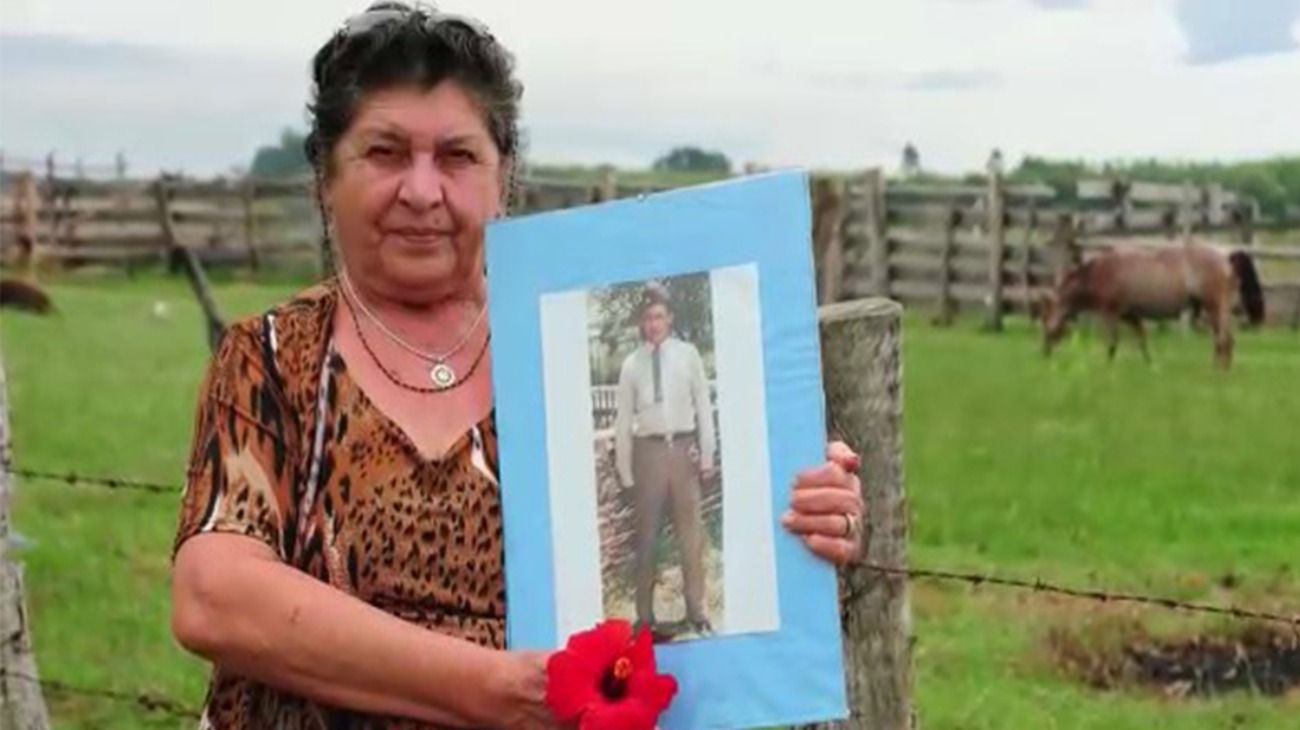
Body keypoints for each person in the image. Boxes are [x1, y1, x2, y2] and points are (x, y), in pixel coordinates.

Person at [170, 4, 865, 729]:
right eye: (384, 153)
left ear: (504, 180)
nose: (422, 190)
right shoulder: (273, 358)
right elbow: (216, 595)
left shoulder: (552, 345)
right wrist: (487, 689)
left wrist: (797, 513)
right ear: (324, 177)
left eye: (457, 156)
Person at [613, 283, 715, 637]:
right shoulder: (631, 365)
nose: (653, 324)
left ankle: (697, 611)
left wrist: (707, 454)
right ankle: (644, 618)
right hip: (649, 453)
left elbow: (703, 406)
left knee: (691, 536)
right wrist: (626, 473)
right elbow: (623, 422)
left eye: (659, 316)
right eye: (647, 318)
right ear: (642, 323)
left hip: (682, 449)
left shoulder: (688, 355)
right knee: (647, 538)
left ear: (669, 318)